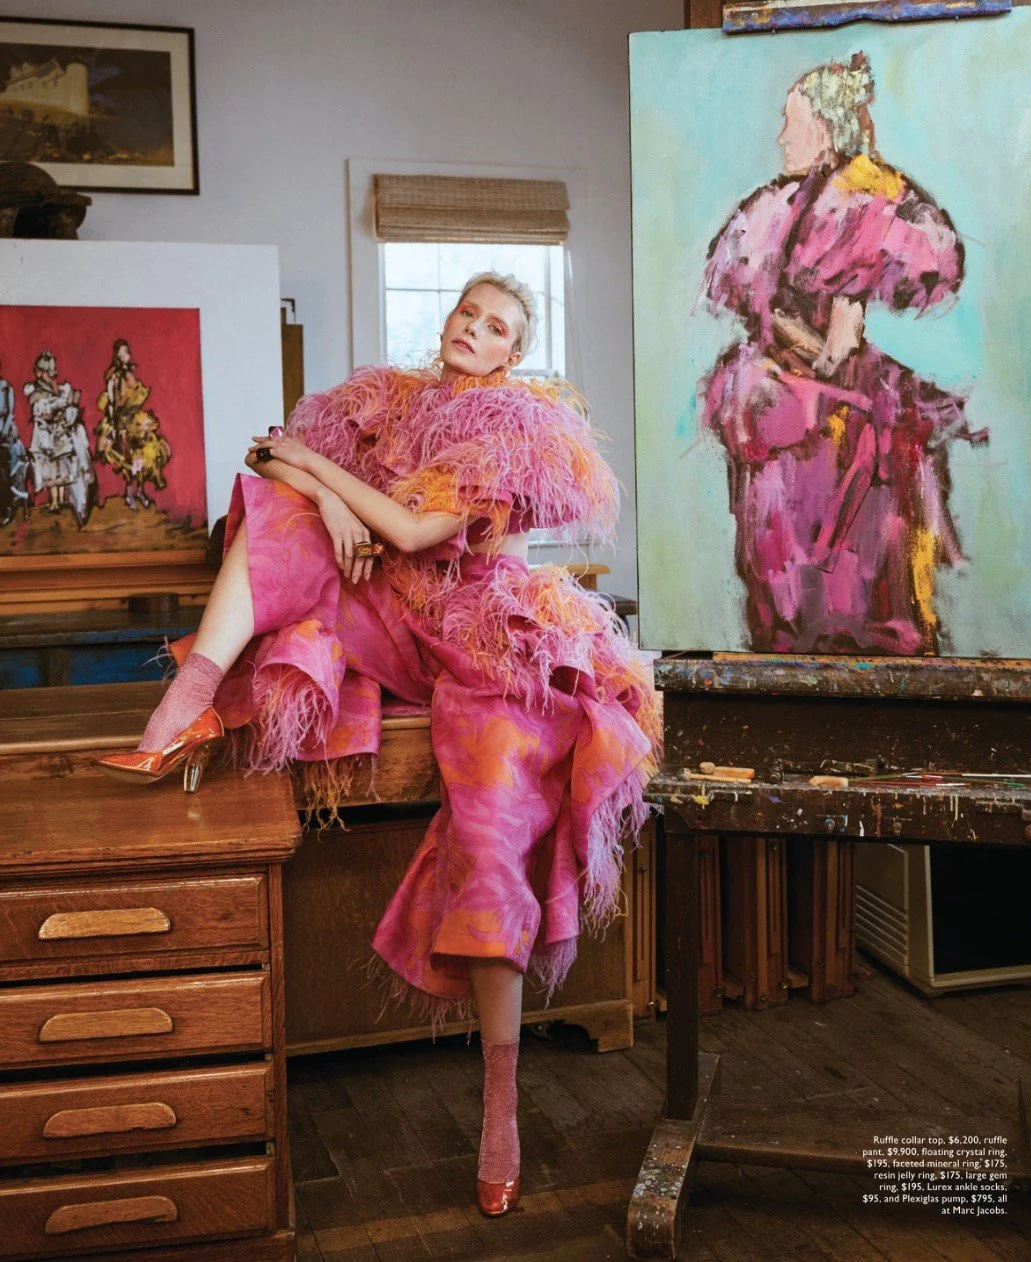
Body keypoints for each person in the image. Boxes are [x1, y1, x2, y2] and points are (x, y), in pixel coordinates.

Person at [99, 272, 660, 1217]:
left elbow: (410, 527)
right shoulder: (384, 401)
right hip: (401, 616)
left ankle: (500, 1107)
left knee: (490, 844)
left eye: (496, 327)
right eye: (467, 313)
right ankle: (183, 709)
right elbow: (267, 458)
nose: (473, 330)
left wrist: (327, 484)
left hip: (486, 636)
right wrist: (324, 499)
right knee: (278, 507)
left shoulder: (512, 428)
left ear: (514, 354)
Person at [700, 53, 988, 655]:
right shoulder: (780, 206)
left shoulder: (862, 201)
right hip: (796, 422)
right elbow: (784, 318)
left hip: (832, 432)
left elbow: (839, 345)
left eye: (791, 121)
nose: (781, 136)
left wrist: (795, 354)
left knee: (844, 586)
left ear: (826, 128)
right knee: (792, 577)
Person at [95, 338, 172, 510]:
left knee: (144, 457)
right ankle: (130, 494)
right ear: (116, 356)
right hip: (122, 423)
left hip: (135, 420)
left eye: (127, 352)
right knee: (129, 460)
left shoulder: (130, 373)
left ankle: (140, 492)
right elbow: (112, 403)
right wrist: (115, 427)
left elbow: (135, 397)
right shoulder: (114, 377)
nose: (125, 355)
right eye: (121, 353)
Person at [24, 350, 97, 527]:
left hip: (60, 433)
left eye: (52, 371)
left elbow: (63, 407)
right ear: (40, 372)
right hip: (46, 436)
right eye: (47, 372)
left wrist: (68, 405)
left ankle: (68, 501)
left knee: (67, 463)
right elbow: (43, 412)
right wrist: (61, 406)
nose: (51, 375)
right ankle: (56, 501)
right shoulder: (35, 391)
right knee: (51, 466)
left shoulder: (58, 387)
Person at [0, 359, 30, 527]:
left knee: (6, 470)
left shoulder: (6, 387)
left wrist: (3, 433)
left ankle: (8, 508)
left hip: (5, 432)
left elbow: (10, 414)